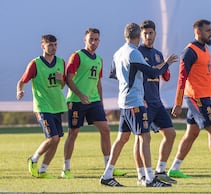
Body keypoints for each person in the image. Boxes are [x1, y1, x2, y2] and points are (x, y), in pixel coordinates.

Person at [100, 22, 178, 187]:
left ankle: (107, 175)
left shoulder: (118, 52)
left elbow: (113, 74)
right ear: (138, 36)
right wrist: (167, 63)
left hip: (124, 100)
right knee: (144, 137)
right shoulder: (134, 53)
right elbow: (153, 72)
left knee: (122, 138)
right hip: (135, 100)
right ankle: (148, 178)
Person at [168, 19, 211, 179]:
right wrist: (177, 103)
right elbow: (181, 78)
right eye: (208, 30)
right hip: (196, 99)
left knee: (192, 133)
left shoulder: (204, 49)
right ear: (198, 32)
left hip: (203, 97)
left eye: (210, 30)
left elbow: (209, 73)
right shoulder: (190, 51)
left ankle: (174, 168)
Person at [62, 28, 125, 179]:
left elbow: (98, 83)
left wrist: (101, 104)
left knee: (105, 130)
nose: (93, 42)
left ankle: (108, 167)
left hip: (94, 101)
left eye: (96, 39)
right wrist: (80, 95)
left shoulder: (99, 59)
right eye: (91, 39)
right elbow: (68, 79)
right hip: (76, 101)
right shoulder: (77, 56)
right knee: (73, 133)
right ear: (85, 40)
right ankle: (66, 168)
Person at [17, 34, 67, 179]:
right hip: (43, 106)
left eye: (55, 44)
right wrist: (19, 90)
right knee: (53, 138)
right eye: (50, 45)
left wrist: (61, 79)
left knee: (56, 140)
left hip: (57, 106)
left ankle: (43, 170)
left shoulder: (61, 62)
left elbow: (63, 84)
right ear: (43, 46)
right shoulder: (35, 64)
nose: (53, 47)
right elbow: (22, 81)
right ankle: (33, 159)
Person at [134, 20, 177, 185]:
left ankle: (160, 170)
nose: (148, 36)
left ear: (155, 34)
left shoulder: (158, 54)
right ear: (140, 35)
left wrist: (166, 69)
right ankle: (141, 175)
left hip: (157, 102)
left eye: (150, 33)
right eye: (145, 33)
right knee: (141, 139)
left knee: (170, 134)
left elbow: (162, 75)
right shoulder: (137, 53)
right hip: (144, 102)